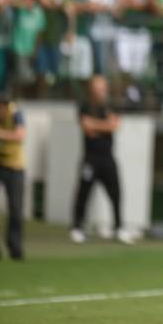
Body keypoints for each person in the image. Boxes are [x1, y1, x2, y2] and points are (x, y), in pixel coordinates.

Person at [70, 75, 132, 245]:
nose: (101, 90)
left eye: (103, 87)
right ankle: (77, 227)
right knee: (84, 192)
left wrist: (97, 125)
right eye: (98, 87)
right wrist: (104, 125)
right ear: (91, 89)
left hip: (107, 157)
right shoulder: (85, 106)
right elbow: (86, 127)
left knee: (116, 193)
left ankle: (119, 228)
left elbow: (114, 125)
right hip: (90, 157)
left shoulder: (111, 105)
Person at [0, 91, 26, 259]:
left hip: (15, 167)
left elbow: (20, 135)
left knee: (16, 210)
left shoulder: (16, 114)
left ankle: (15, 247)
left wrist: (1, 134)